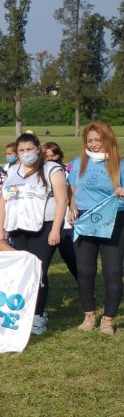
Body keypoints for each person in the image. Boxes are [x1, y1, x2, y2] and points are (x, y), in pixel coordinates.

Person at [0, 133, 67, 336]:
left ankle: (38, 316)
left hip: (44, 227)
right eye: (21, 150)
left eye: (29, 149)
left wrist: (55, 229)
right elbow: (4, 201)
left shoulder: (52, 169)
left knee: (39, 271)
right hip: (18, 227)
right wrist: (0, 229)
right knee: (23, 271)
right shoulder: (11, 170)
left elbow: (62, 200)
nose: (25, 154)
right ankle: (23, 312)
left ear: (38, 149)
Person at [67, 121, 124, 335]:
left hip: (113, 221)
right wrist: (72, 208)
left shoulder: (120, 165)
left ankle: (108, 321)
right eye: (89, 140)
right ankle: (89, 316)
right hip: (85, 222)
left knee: (113, 272)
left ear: (108, 139)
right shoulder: (77, 162)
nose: (93, 145)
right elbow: (73, 190)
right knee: (84, 271)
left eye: (98, 140)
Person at [42, 142, 78, 278]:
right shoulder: (39, 171)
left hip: (66, 219)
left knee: (69, 254)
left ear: (59, 155)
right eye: (47, 155)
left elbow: (71, 194)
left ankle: (84, 284)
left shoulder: (67, 171)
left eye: (53, 155)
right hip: (46, 218)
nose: (50, 158)